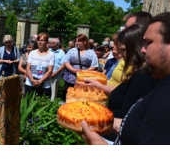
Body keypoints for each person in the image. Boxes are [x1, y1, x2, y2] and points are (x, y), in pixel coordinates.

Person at [80, 12, 170, 145]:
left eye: (149, 42)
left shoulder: (165, 97)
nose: (143, 50)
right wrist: (105, 122)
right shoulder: (161, 86)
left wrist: (98, 144)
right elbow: (139, 123)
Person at [63, 34, 98, 101]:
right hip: (70, 78)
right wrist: (72, 69)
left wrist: (83, 72)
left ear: (84, 42)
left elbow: (94, 65)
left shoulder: (91, 53)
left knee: (81, 97)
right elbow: (66, 61)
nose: (77, 43)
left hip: (83, 79)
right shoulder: (72, 51)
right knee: (69, 96)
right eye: (76, 41)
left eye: (79, 41)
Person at [25, 33, 54, 97]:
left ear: (47, 42)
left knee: (43, 104)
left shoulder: (51, 54)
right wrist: (32, 80)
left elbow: (49, 71)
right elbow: (28, 68)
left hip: (44, 84)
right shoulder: (32, 53)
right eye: (38, 40)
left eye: (42, 40)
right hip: (30, 83)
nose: (40, 42)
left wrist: (40, 81)